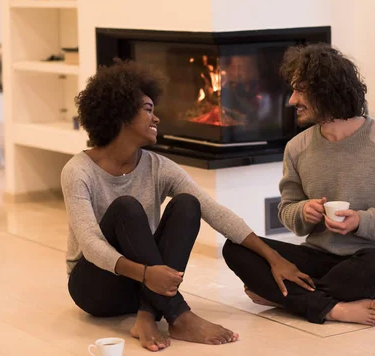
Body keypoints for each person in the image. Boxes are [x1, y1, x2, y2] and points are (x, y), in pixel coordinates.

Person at [62, 60, 314, 352]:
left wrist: (274, 257)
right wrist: (145, 274)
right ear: (119, 114)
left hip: (144, 288)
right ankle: (179, 315)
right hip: (95, 288)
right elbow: (91, 245)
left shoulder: (159, 167)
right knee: (126, 208)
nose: (156, 119)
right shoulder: (78, 170)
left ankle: (147, 315)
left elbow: (214, 211)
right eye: (147, 110)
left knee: (188, 204)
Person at [223, 44, 375, 325]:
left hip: (370, 263)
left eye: (300, 90)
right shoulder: (297, 148)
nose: (291, 100)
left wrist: (360, 221)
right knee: (236, 248)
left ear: (326, 91)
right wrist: (302, 211)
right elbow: (287, 209)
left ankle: (288, 297)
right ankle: (332, 308)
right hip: (317, 258)